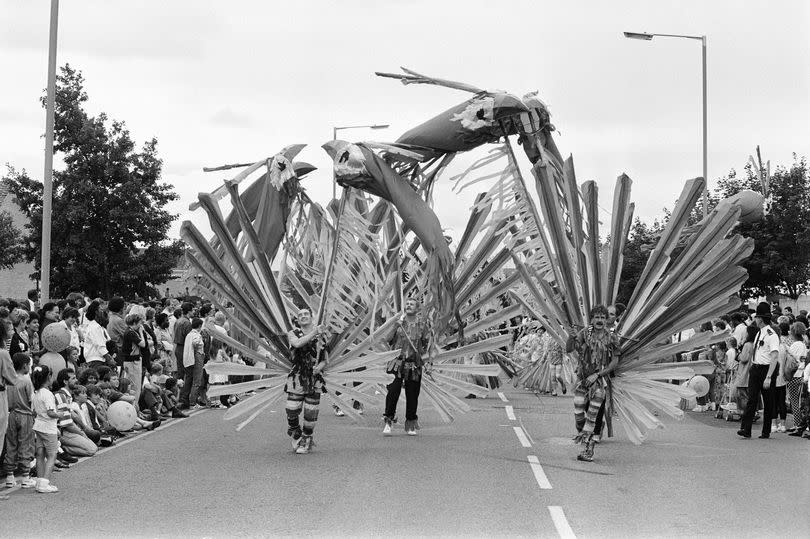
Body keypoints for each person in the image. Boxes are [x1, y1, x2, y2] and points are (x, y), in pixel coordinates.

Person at [566, 305, 620, 462]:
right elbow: (569, 349)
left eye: (603, 317)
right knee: (578, 412)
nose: (600, 320)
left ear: (607, 320)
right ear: (592, 319)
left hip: (600, 382)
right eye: (597, 317)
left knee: (593, 417)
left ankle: (588, 449)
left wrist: (597, 375)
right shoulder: (585, 333)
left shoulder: (612, 337)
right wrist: (571, 337)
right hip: (582, 380)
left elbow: (614, 362)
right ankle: (584, 434)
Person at [382, 297, 431, 437]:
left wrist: (426, 359)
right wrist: (396, 326)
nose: (408, 306)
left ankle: (410, 423)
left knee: (412, 394)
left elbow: (427, 343)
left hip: (413, 364)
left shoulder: (422, 324)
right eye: (407, 304)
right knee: (393, 392)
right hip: (397, 362)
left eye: (412, 304)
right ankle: (388, 421)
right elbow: (387, 339)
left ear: (417, 309)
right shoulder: (398, 322)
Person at [284, 308, 328, 454]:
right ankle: (296, 432)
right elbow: (297, 344)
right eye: (300, 315)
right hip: (297, 377)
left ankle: (306, 440)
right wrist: (315, 332)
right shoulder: (293, 333)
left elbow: (325, 359)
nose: (303, 316)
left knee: (310, 413)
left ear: (311, 317)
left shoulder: (322, 336)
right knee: (291, 408)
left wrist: (318, 368)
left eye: (306, 314)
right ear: (297, 320)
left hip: (314, 379)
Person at [738, 302, 780, 439]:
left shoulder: (771, 334)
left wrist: (768, 377)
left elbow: (774, 357)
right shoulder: (759, 333)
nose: (755, 319)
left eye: (756, 317)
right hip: (755, 368)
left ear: (760, 318)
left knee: (768, 402)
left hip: (766, 369)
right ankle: (746, 429)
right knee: (751, 399)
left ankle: (766, 431)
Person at [3, 353, 36, 489]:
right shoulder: (26, 381)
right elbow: (31, 399)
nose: (29, 367)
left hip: (11, 414)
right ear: (24, 366)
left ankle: (9, 476)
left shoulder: (8, 380)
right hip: (25, 415)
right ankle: (25, 477)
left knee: (11, 444)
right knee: (25, 445)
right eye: (29, 364)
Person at [31, 364, 62, 493]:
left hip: (38, 426)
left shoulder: (36, 393)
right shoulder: (48, 394)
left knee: (40, 454)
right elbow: (50, 412)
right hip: (49, 428)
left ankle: (39, 481)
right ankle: (45, 483)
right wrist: (59, 414)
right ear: (48, 377)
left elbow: (33, 412)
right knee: (52, 454)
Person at [786, 322, 809, 436]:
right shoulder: (803, 344)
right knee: (796, 401)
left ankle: (797, 424)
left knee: (794, 401)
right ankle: (797, 424)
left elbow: (790, 359)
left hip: (794, 374)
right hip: (801, 373)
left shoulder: (795, 345)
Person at [180, 318, 205, 410]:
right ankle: (192, 402)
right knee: (197, 380)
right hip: (198, 356)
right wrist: (197, 348)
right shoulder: (196, 335)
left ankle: (187, 400)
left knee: (190, 379)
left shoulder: (189, 334)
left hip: (190, 358)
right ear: (199, 326)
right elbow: (195, 342)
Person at [121, 313, 146, 402]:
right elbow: (143, 344)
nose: (141, 325)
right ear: (135, 323)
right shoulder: (131, 333)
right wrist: (141, 333)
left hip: (132, 361)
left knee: (134, 385)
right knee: (135, 386)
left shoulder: (129, 331)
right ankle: (135, 407)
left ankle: (136, 407)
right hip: (132, 362)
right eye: (139, 323)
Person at [83, 301, 112, 367]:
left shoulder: (100, 327)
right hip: (95, 360)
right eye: (101, 310)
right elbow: (100, 345)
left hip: (100, 359)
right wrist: (109, 359)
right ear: (96, 312)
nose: (103, 312)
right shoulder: (94, 327)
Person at [106, 297, 128, 367]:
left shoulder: (110, 317)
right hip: (119, 350)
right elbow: (128, 335)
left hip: (113, 349)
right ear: (121, 308)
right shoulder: (118, 320)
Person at [173, 303, 193, 380]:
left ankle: (180, 389)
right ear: (189, 311)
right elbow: (189, 339)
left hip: (178, 347)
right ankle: (184, 390)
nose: (193, 312)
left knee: (180, 371)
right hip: (184, 348)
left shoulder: (178, 321)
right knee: (187, 373)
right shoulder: (187, 323)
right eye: (192, 310)